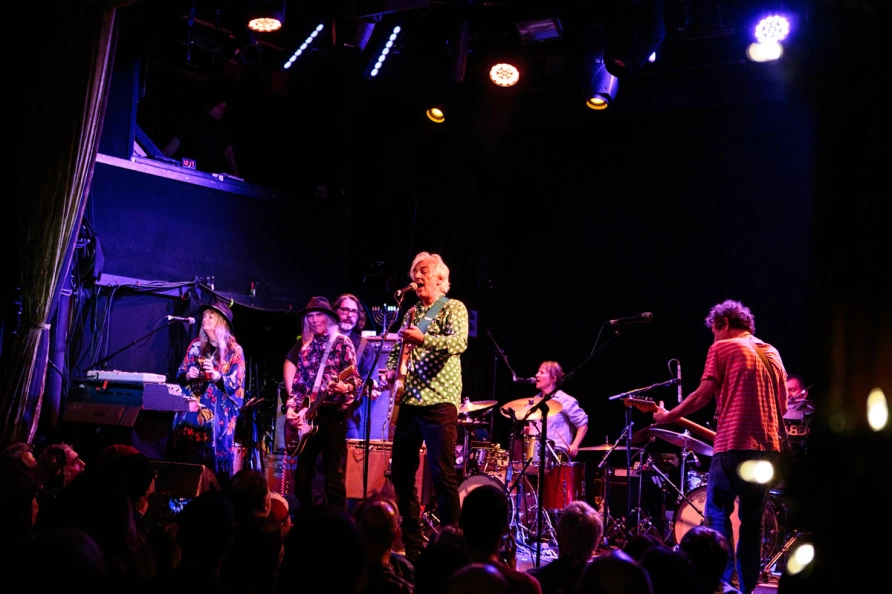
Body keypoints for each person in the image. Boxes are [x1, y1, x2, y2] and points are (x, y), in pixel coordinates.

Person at [651, 299, 787, 594]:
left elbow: (702, 395)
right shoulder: (772, 353)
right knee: (753, 524)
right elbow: (783, 405)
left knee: (717, 514)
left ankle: (721, 586)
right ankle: (747, 589)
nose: (713, 337)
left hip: (732, 445)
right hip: (767, 450)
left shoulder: (722, 348)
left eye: (714, 331)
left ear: (723, 323)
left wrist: (668, 416)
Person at [381, 251, 468, 562]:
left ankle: (452, 547)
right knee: (402, 475)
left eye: (424, 271)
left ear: (441, 279)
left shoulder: (453, 308)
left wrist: (425, 340)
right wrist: (390, 370)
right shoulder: (411, 313)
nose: (417, 277)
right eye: (415, 272)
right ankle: (414, 545)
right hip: (410, 403)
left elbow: (459, 343)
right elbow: (398, 350)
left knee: (443, 475)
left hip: (440, 403)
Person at [283, 296, 361, 512]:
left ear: (328, 317)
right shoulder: (306, 349)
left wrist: (344, 388)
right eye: (311, 316)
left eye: (318, 315)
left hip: (334, 416)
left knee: (333, 477)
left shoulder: (342, 343)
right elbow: (299, 387)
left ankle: (338, 525)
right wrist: (291, 409)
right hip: (309, 416)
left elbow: (356, 380)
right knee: (303, 477)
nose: (314, 320)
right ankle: (306, 523)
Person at [170, 300, 246, 482]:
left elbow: (237, 383)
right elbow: (180, 374)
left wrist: (217, 376)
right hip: (192, 412)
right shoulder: (196, 345)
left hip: (218, 416)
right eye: (204, 316)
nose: (205, 319)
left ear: (222, 322)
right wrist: (189, 374)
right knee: (188, 461)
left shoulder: (234, 350)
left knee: (212, 466)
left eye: (211, 316)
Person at [332, 292, 383, 440]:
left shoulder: (364, 347)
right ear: (335, 311)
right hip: (318, 414)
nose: (349, 315)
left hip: (348, 418)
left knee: (347, 460)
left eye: (354, 311)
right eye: (345, 310)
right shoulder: (323, 340)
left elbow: (371, 380)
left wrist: (372, 387)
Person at [160, 87, 240, 177]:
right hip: (193, 175)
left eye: (224, 108)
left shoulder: (221, 128)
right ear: (210, 106)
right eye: (219, 107)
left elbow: (229, 154)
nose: (222, 112)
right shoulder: (191, 122)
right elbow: (171, 148)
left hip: (204, 176)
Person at [522, 361, 589, 463]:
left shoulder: (565, 400)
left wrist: (575, 445)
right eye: (538, 372)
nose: (536, 375)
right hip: (533, 455)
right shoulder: (535, 400)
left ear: (554, 378)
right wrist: (529, 429)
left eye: (542, 372)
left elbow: (583, 424)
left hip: (556, 456)